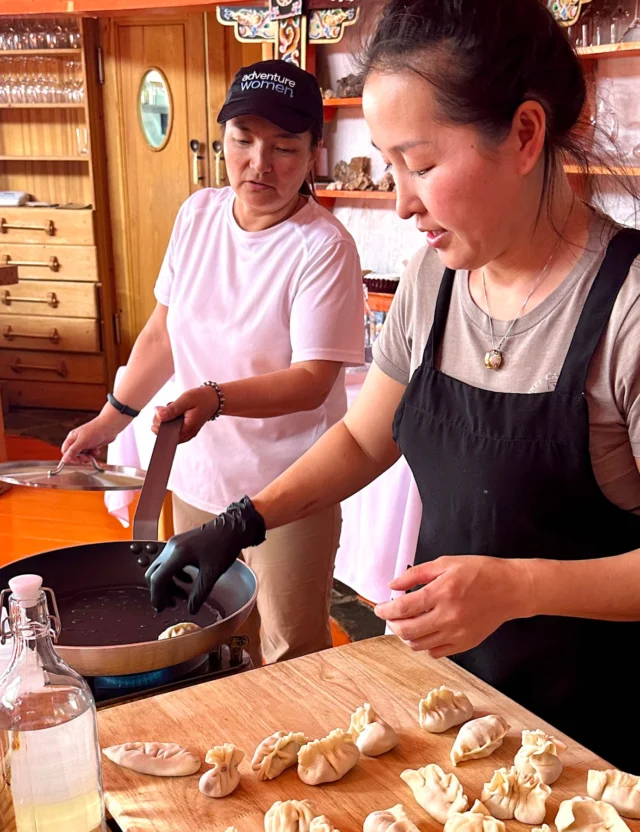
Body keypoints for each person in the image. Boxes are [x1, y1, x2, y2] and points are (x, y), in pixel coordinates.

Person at [147, 0, 640, 770]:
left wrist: (516, 588)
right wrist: (241, 521)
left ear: (524, 134)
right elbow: (360, 437)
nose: (403, 201)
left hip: (597, 742)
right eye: (388, 166)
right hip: (451, 714)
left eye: (423, 164)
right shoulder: (434, 279)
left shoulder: (627, 307)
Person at [61, 60, 365, 666]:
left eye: (284, 146)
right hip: (197, 474)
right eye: (243, 140)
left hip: (287, 488)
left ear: (313, 154)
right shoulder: (197, 215)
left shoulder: (324, 247)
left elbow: (312, 383)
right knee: (209, 636)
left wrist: (214, 396)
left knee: (289, 649)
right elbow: (161, 334)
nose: (260, 163)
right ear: (222, 138)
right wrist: (111, 419)